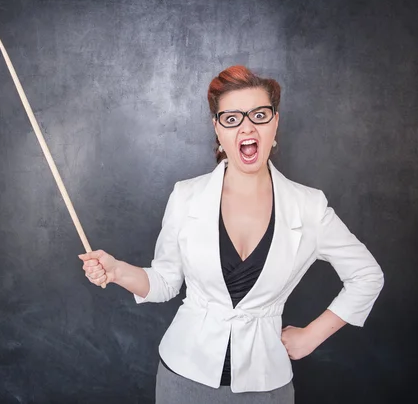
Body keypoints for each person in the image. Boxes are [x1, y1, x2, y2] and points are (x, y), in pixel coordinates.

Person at [77, 65, 384, 404]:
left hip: (266, 386)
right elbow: (166, 282)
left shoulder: (309, 206)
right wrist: (117, 270)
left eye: (259, 115)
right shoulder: (186, 196)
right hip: (183, 378)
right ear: (218, 129)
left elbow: (367, 275)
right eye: (232, 118)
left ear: (275, 123)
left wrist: (311, 336)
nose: (247, 127)